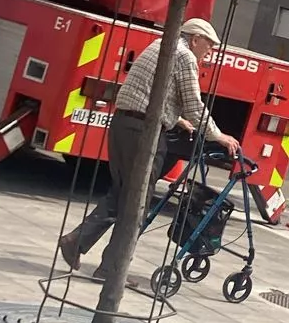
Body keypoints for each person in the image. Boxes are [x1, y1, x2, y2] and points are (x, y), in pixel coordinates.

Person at [59, 18, 239, 274]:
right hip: (143, 132)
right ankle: (111, 271)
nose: (209, 52)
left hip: (123, 124)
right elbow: (193, 103)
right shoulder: (184, 56)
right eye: (209, 45)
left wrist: (175, 119)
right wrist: (218, 135)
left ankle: (76, 242)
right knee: (137, 205)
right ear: (195, 39)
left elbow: (151, 91)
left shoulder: (160, 46)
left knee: (123, 193)